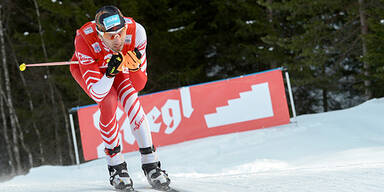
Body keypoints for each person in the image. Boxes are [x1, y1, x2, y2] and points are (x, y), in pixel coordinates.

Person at [69, 5, 171, 191]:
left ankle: (151, 164)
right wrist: (108, 74)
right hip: (94, 71)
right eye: (110, 36)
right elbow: (98, 92)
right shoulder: (85, 40)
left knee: (131, 99)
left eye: (120, 33)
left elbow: (139, 84)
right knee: (108, 102)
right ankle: (116, 167)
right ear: (100, 35)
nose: (117, 40)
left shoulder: (137, 32)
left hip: (119, 66)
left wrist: (133, 68)